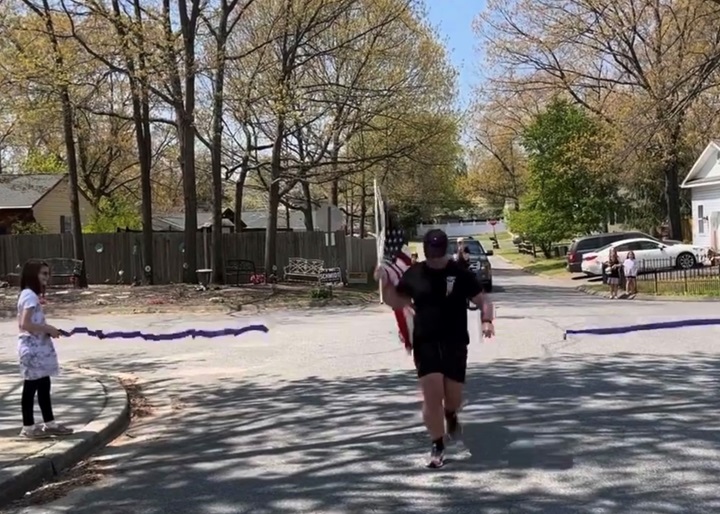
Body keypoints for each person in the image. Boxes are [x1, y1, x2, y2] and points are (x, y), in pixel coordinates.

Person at [376, 229, 494, 468]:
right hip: (425, 341)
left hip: (455, 341)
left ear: (444, 252)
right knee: (432, 397)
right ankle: (437, 444)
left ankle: (450, 414)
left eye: (439, 254)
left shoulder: (460, 273)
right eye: (432, 254)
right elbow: (398, 302)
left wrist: (487, 319)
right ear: (427, 251)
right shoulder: (415, 274)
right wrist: (385, 283)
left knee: (453, 398)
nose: (436, 259)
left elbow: (482, 300)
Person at [17, 260, 73, 439]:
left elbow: (34, 323)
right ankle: (28, 427)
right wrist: (47, 329)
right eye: (43, 274)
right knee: (31, 388)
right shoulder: (30, 296)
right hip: (32, 351)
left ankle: (49, 424)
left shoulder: (29, 295)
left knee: (43, 386)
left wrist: (50, 329)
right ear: (33, 274)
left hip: (38, 348)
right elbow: (25, 324)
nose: (46, 278)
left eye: (47, 274)